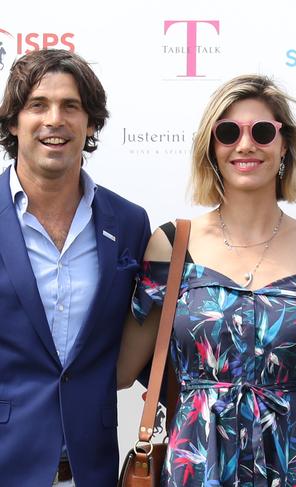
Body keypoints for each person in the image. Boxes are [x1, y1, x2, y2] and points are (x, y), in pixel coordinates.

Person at [117, 74, 296, 486]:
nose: (245, 145)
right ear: (211, 149)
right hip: (199, 459)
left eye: (262, 132)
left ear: (285, 147)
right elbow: (121, 368)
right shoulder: (171, 243)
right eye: (228, 133)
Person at [0, 49, 150, 486]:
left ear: (91, 124)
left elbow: (145, 338)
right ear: (13, 122)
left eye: (71, 106)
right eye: (38, 105)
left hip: (91, 471)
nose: (55, 119)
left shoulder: (128, 223)